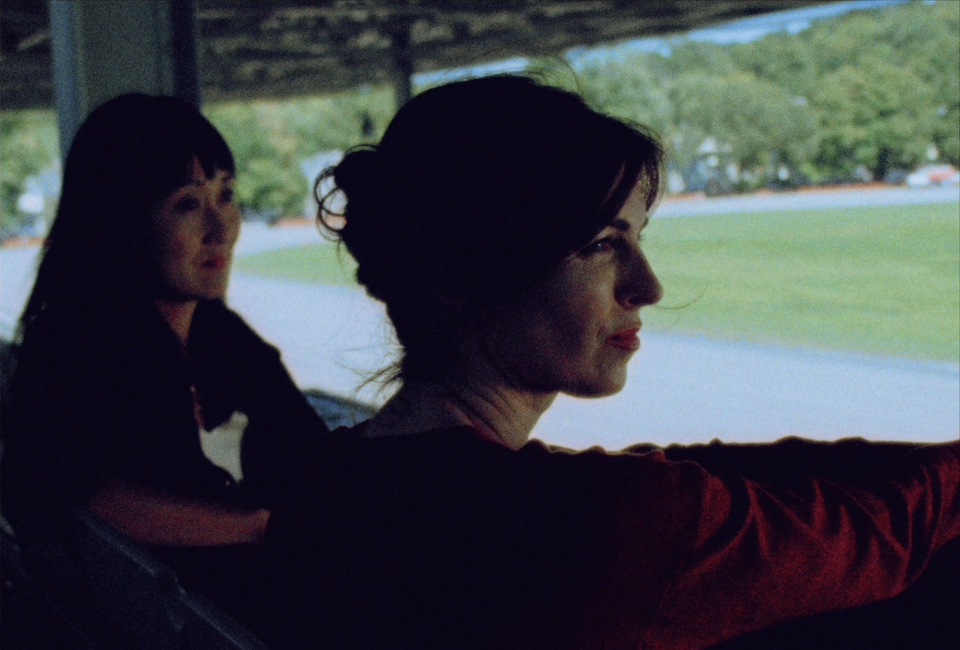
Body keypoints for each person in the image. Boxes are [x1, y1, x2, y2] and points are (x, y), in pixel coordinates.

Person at [250, 76, 958, 650]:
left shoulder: (325, 480)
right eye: (598, 244)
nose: (648, 287)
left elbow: (708, 469)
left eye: (638, 239)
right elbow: (883, 533)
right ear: (461, 275)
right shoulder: (597, 522)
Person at [0, 94, 327, 591]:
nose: (222, 228)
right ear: (122, 222)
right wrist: (258, 526)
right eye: (187, 204)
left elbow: (314, 452)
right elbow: (82, 499)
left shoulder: (221, 337)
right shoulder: (79, 351)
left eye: (227, 194)